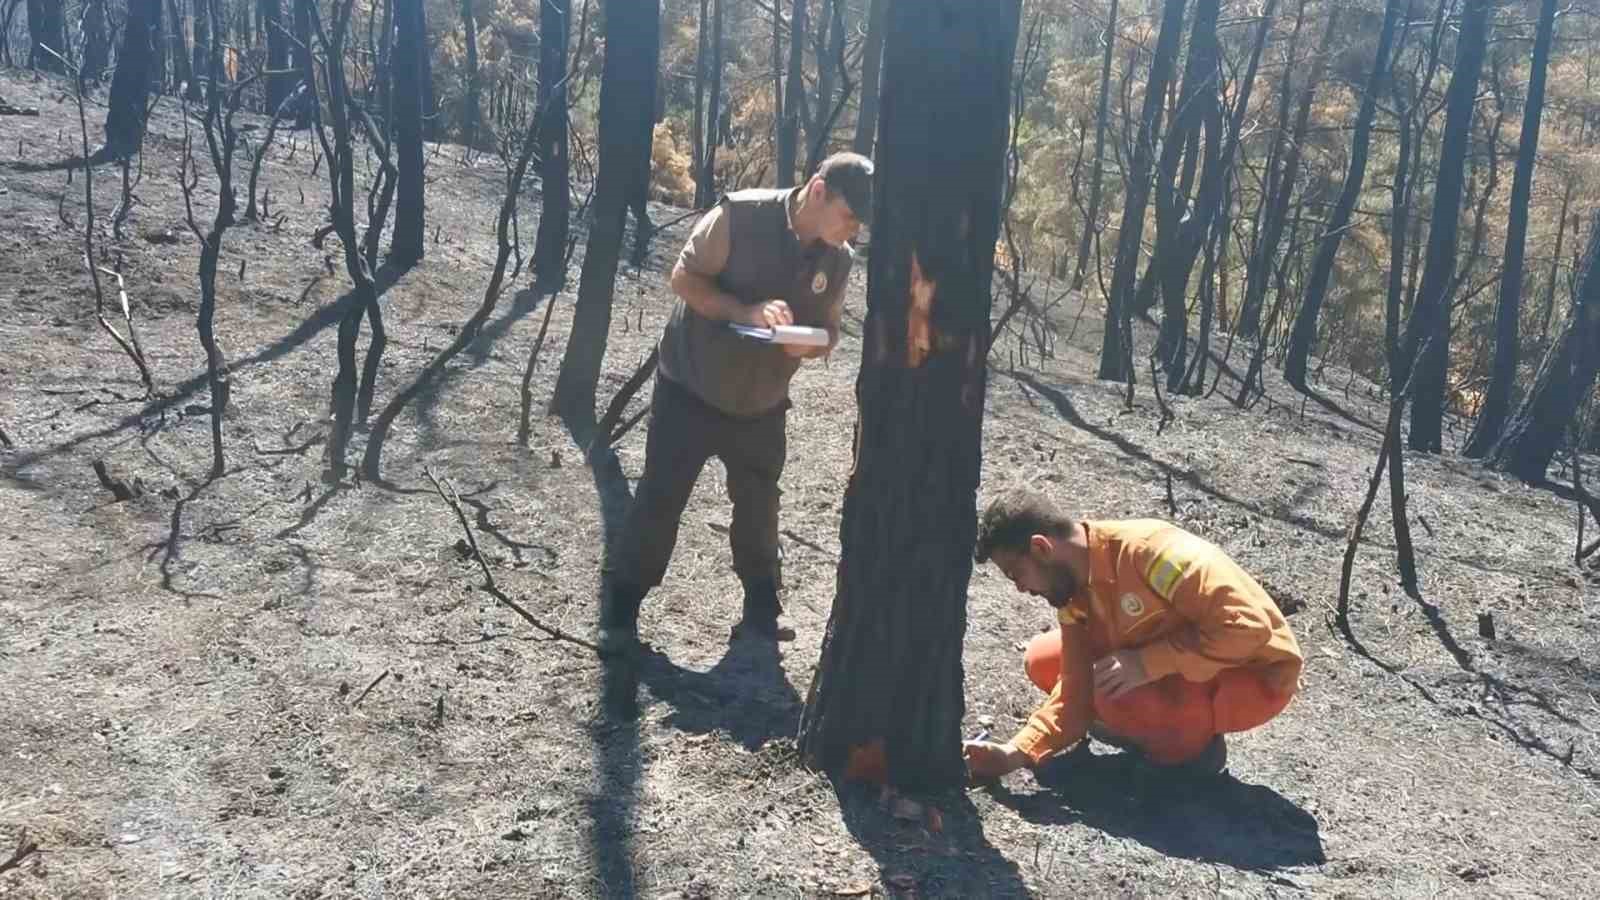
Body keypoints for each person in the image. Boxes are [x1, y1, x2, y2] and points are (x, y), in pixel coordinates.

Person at [597, 152, 874, 655]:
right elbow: (684, 278)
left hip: (762, 404)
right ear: (818, 191)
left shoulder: (840, 259)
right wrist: (744, 311)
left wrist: (813, 344)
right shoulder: (739, 215)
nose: (853, 230)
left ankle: (762, 609)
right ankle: (622, 606)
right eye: (848, 215)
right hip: (691, 387)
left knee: (760, 508)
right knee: (660, 500)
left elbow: (831, 328)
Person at [963, 489, 1303, 782]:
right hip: (1182, 661)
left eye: (1016, 574)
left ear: (1041, 548)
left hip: (1254, 674)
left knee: (1113, 694)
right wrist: (1015, 753)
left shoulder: (1149, 554)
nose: (1021, 589)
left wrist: (1146, 663)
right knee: (1043, 661)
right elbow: (1075, 690)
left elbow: (1248, 629)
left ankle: (1193, 752)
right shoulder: (1072, 590)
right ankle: (1145, 722)